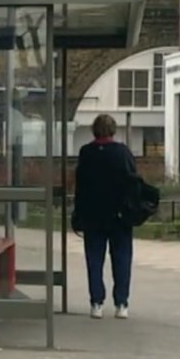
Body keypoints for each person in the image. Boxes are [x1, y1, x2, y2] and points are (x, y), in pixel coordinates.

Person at [72, 114, 138, 320]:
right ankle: (121, 303)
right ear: (113, 130)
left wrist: (78, 214)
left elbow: (80, 186)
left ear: (94, 130)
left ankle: (97, 303)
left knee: (94, 260)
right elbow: (133, 183)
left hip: (93, 216)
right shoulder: (123, 153)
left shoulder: (86, 153)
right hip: (119, 217)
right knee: (122, 259)